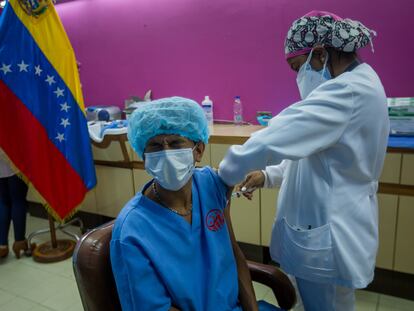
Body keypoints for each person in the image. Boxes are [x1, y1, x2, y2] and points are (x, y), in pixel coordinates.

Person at [218, 11, 389, 311]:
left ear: (321, 54)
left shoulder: (346, 91)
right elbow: (314, 155)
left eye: (299, 67)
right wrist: (267, 176)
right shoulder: (358, 83)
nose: (299, 78)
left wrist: (224, 173)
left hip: (328, 237)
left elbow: (277, 135)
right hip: (321, 231)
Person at [110, 97, 279, 311]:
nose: (166, 153)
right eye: (154, 145)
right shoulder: (131, 231)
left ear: (198, 150)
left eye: (175, 143)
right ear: (144, 156)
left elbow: (233, 253)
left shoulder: (211, 185)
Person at [0, 148, 31, 259]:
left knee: (3, 200)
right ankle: (20, 241)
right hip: (14, 152)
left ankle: (2, 244)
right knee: (18, 199)